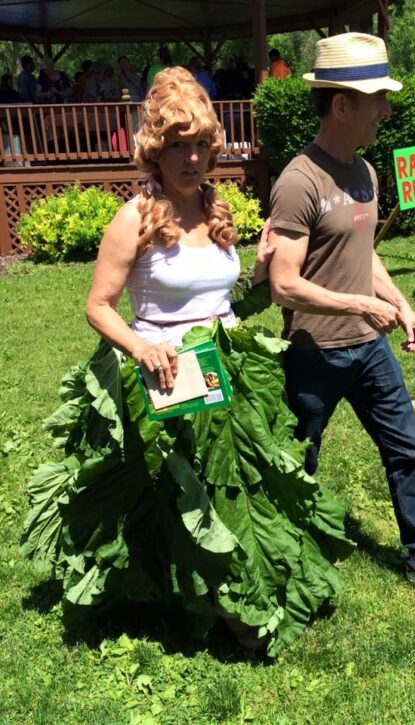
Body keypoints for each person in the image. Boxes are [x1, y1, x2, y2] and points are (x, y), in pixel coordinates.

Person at [21, 67, 352, 657]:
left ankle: (238, 594)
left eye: (201, 144)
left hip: (227, 367)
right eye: (178, 145)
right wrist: (142, 347)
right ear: (156, 150)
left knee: (242, 487)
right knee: (179, 495)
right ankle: (198, 597)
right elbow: (98, 306)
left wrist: (257, 273)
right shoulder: (136, 218)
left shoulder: (215, 210)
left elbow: (220, 301)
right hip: (164, 373)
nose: (193, 157)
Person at [268, 33, 415, 590]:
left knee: (405, 448)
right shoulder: (299, 181)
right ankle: (277, 562)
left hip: (369, 348)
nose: (386, 110)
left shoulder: (365, 172)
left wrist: (399, 303)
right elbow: (283, 285)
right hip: (313, 353)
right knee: (294, 464)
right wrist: (358, 304)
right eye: (378, 100)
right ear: (342, 104)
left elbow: (362, 257)